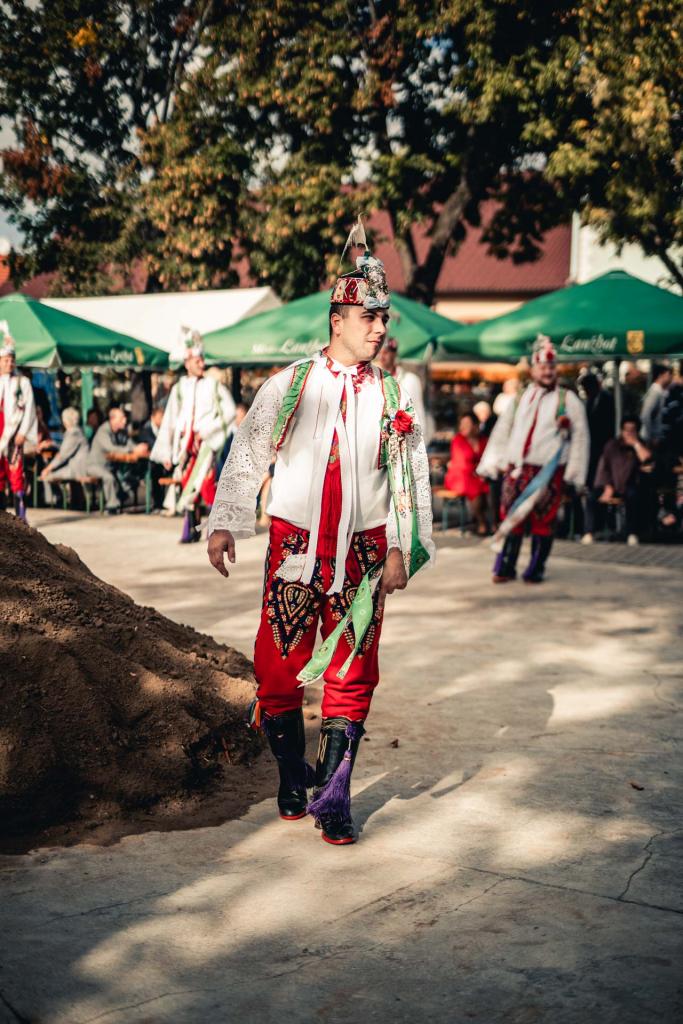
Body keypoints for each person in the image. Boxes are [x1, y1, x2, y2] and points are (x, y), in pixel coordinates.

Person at [207, 231, 434, 845]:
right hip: (294, 546)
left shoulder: (396, 395)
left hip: (364, 552)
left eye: (384, 319)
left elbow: (410, 478)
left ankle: (334, 798)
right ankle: (290, 776)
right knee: (277, 669)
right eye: (369, 317)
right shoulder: (290, 385)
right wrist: (226, 520)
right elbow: (248, 452)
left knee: (353, 670)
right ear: (338, 319)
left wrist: (401, 547)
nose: (380, 328)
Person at [477, 335, 589, 584]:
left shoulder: (568, 400)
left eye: (551, 367)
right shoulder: (520, 398)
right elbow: (503, 431)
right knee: (511, 518)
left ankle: (536, 568)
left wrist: (574, 474)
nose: (547, 372)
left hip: (548, 471)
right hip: (516, 469)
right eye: (542, 367)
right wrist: (493, 462)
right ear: (533, 370)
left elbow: (581, 437)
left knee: (543, 521)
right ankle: (505, 567)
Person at [151, 331, 236, 543]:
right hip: (184, 446)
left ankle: (212, 528)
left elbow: (229, 411)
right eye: (197, 360)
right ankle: (192, 528)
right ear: (187, 362)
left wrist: (208, 430)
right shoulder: (179, 388)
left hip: (205, 444)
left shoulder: (213, 385)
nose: (202, 364)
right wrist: (167, 452)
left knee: (204, 484)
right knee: (188, 485)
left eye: (202, 360)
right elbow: (170, 420)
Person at [582, 415, 652, 546]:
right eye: (626, 430)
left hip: (630, 484)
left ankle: (631, 533)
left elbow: (647, 459)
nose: (629, 433)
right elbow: (604, 468)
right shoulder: (612, 445)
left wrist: (636, 444)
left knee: (634, 497)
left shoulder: (641, 444)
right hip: (610, 483)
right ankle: (589, 532)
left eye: (632, 430)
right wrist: (608, 486)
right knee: (591, 497)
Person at [0, 331, 37, 522]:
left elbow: (29, 409)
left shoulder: (22, 383)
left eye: (12, 360)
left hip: (13, 435)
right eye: (5, 360)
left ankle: (20, 519)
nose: (9, 363)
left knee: (16, 476)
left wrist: (23, 432)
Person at [86, 406, 147, 514]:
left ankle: (119, 498)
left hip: (111, 466)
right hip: (95, 466)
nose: (125, 420)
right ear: (112, 419)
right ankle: (111, 506)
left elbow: (129, 443)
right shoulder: (103, 431)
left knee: (132, 479)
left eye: (124, 418)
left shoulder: (121, 431)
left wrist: (138, 448)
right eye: (121, 418)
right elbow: (111, 448)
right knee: (109, 477)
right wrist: (132, 449)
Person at [375, 335, 432, 443]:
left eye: (386, 352)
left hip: (406, 440)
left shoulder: (410, 380)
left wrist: (420, 441)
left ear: (394, 354)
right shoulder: (374, 380)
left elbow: (418, 412)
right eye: (379, 353)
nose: (382, 356)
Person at [444, 411, 489, 535]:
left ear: (475, 425)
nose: (462, 427)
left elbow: (487, 459)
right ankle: (481, 521)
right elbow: (461, 463)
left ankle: (487, 520)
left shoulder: (483, 440)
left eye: (466, 424)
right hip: (458, 476)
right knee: (476, 488)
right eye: (461, 424)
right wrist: (478, 472)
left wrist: (481, 472)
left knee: (489, 485)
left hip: (475, 476)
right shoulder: (458, 440)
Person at [40, 407, 89, 506]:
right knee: (52, 472)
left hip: (77, 468)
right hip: (78, 466)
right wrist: (53, 444)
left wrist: (47, 469)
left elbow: (62, 456)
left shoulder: (73, 433)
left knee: (47, 476)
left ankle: (57, 501)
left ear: (65, 420)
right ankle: (74, 501)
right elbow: (67, 448)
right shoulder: (77, 431)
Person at [137, 405, 166, 509]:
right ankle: (158, 503)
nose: (163, 420)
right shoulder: (146, 430)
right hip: (145, 464)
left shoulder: (162, 429)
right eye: (160, 417)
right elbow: (154, 445)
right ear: (153, 417)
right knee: (156, 471)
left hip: (159, 460)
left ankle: (163, 502)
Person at [641, 364, 673, 446]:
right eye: (668, 375)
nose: (671, 377)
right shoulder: (655, 392)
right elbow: (645, 415)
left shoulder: (659, 392)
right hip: (650, 439)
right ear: (660, 376)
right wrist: (651, 435)